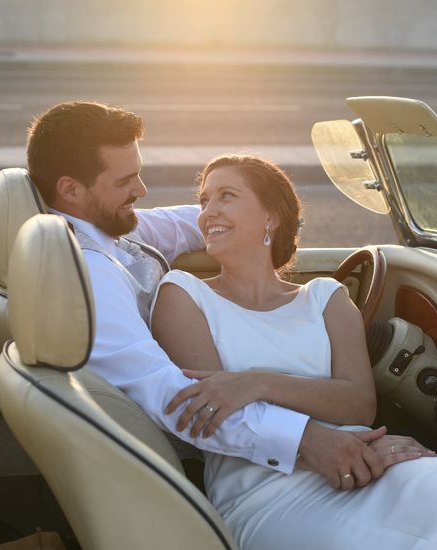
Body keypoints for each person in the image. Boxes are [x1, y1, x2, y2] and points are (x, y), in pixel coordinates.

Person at [150, 154, 437, 549]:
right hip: (263, 491)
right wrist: (320, 438)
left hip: (364, 461)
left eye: (226, 196)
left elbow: (357, 403)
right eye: (204, 199)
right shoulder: (182, 293)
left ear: (271, 216)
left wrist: (257, 382)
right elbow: (210, 414)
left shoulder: (325, 296)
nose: (207, 211)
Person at [25, 101, 407, 489]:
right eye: (125, 182)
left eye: (137, 175)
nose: (141, 190)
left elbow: (189, 222)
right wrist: (308, 439)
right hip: (259, 467)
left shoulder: (107, 227)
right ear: (71, 190)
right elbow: (167, 394)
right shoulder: (87, 272)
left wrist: (254, 215)